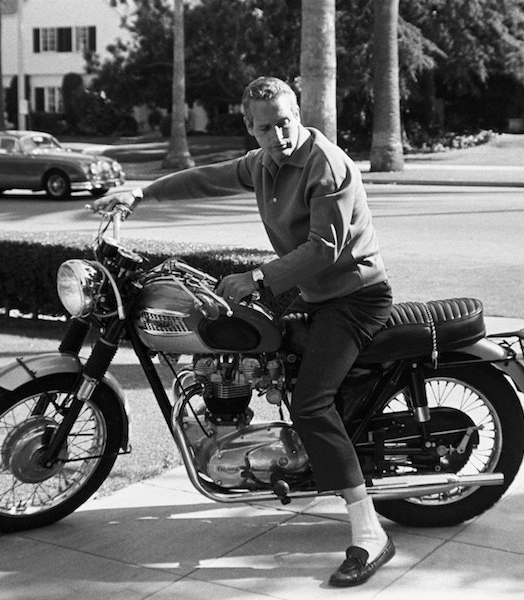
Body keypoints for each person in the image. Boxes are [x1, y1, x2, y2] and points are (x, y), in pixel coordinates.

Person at [94, 76, 394, 587]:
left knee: (311, 401)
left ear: (297, 112)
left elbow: (325, 248)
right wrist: (141, 191)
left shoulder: (327, 164)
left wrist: (257, 277)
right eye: (265, 127)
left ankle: (370, 532)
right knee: (259, 353)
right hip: (313, 294)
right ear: (249, 129)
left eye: (285, 121)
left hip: (355, 299)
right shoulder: (264, 163)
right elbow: (207, 178)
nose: (278, 134)